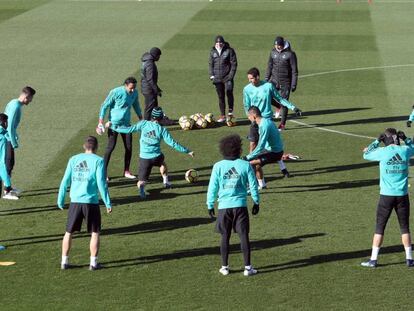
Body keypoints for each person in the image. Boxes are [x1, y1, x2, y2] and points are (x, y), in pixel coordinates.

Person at [109, 107, 194, 198]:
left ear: (151, 116)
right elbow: (173, 144)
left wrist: (113, 127)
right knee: (162, 164)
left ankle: (142, 187)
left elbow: (129, 129)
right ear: (161, 118)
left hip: (144, 158)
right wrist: (187, 151)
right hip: (157, 157)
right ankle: (166, 181)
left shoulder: (143, 124)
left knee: (141, 181)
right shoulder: (162, 130)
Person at [207, 134, 260, 276]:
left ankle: (224, 267)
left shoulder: (218, 166)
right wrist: (256, 201)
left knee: (225, 236)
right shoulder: (245, 165)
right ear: (239, 149)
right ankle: (248, 268)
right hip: (240, 207)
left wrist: (210, 204)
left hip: (224, 207)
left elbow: (213, 186)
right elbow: (253, 185)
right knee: (244, 236)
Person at [361, 128, 414, 268]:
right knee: (404, 227)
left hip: (386, 196)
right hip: (402, 196)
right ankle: (409, 259)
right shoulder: (405, 150)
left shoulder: (382, 152)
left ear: (386, 139)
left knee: (380, 227)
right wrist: (407, 138)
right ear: (397, 138)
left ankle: (373, 259)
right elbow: (413, 148)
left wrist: (376, 141)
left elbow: (366, 155)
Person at [58, 136, 112, 271]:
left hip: (75, 201)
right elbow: (101, 183)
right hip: (91, 203)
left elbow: (65, 181)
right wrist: (107, 202)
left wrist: (60, 199)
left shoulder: (73, 159)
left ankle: (64, 261)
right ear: (96, 147)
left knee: (68, 232)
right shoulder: (99, 161)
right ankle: (93, 263)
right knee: (95, 232)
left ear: (84, 146)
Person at [243, 67, 301, 178]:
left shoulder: (268, 86)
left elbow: (280, 99)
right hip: (254, 121)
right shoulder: (247, 89)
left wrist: (293, 107)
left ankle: (279, 171)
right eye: (249, 79)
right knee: (252, 145)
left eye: (252, 79)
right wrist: (249, 117)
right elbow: (246, 105)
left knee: (270, 147)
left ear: (258, 77)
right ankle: (254, 169)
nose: (250, 81)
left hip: (267, 120)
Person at [97, 77, 142, 180]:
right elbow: (104, 106)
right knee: (110, 147)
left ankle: (126, 171)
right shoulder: (115, 92)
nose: (132, 90)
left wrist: (141, 118)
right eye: (131, 88)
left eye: (134, 87)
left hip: (126, 125)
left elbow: (136, 105)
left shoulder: (135, 93)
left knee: (129, 147)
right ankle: (104, 172)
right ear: (125, 86)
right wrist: (100, 122)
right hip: (113, 125)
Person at [4, 86, 36, 191]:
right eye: (31, 98)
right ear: (27, 96)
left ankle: (7, 186)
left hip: (6, 136)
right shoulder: (16, 107)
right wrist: (13, 142)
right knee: (8, 164)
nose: (31, 101)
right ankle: (7, 191)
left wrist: (15, 133)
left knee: (9, 163)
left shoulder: (13, 102)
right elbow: (9, 126)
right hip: (6, 138)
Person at [244, 106, 285, 189]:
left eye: (249, 116)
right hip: (271, 150)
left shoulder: (264, 125)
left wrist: (248, 157)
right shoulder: (266, 121)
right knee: (257, 165)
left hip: (274, 153)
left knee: (249, 164)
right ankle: (262, 185)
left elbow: (261, 145)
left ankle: (249, 186)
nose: (248, 118)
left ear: (254, 116)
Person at [265, 36, 298, 130]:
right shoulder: (273, 52)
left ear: (283, 45)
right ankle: (278, 106)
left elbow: (294, 71)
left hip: (285, 82)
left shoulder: (290, 54)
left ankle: (282, 124)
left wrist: (294, 84)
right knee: (267, 96)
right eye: (276, 45)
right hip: (274, 80)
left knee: (285, 103)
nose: (277, 47)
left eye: (279, 45)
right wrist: (266, 78)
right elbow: (269, 66)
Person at [209, 35, 238, 123]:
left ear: (223, 43)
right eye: (217, 42)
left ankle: (230, 113)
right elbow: (211, 64)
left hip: (227, 77)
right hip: (217, 78)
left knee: (229, 92)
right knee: (220, 96)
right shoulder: (212, 51)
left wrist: (231, 76)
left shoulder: (229, 51)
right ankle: (222, 115)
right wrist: (211, 75)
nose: (219, 44)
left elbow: (234, 64)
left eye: (220, 42)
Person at [0, 114, 19, 200]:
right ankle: (7, 191)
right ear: (3, 122)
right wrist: (8, 185)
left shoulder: (3, 134)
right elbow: (2, 164)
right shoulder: (2, 139)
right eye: (6, 122)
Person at [141, 47, 163, 121]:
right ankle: (146, 125)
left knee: (154, 107)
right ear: (155, 55)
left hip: (148, 88)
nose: (159, 58)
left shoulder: (147, 61)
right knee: (150, 108)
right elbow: (150, 79)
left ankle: (153, 122)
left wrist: (157, 89)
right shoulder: (150, 64)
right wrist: (156, 90)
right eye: (159, 56)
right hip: (149, 90)